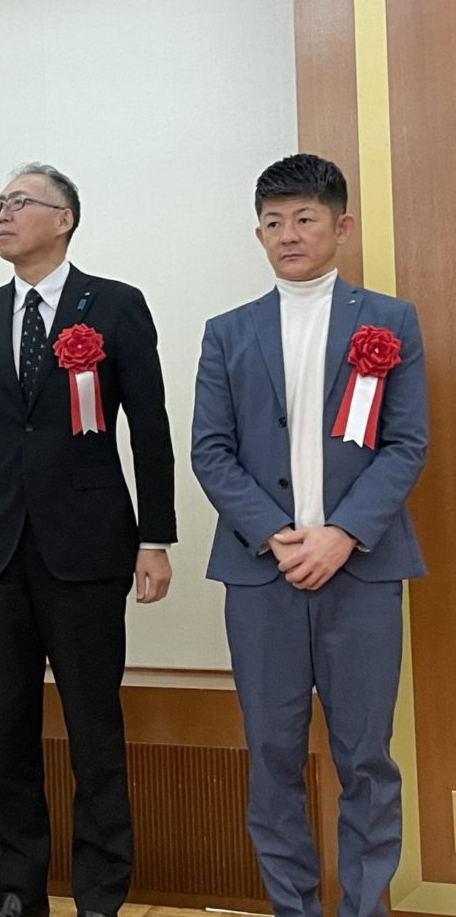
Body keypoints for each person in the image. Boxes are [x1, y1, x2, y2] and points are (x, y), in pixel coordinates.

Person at [0, 164, 176, 917]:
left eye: (19, 203)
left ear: (64, 219)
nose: (2, 214)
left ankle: (99, 893)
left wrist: (155, 536)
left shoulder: (116, 304)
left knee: (94, 725)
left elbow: (150, 427)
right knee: (7, 726)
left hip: (89, 548)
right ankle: (17, 889)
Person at [191, 154, 427, 917]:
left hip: (361, 572)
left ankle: (365, 907)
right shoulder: (228, 332)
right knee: (272, 754)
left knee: (366, 756)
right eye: (273, 221)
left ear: (340, 225)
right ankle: (292, 906)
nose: (287, 233)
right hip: (262, 575)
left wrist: (343, 534)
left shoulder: (389, 321)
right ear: (258, 232)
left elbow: (406, 444)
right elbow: (210, 451)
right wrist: (276, 533)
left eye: (304, 218)